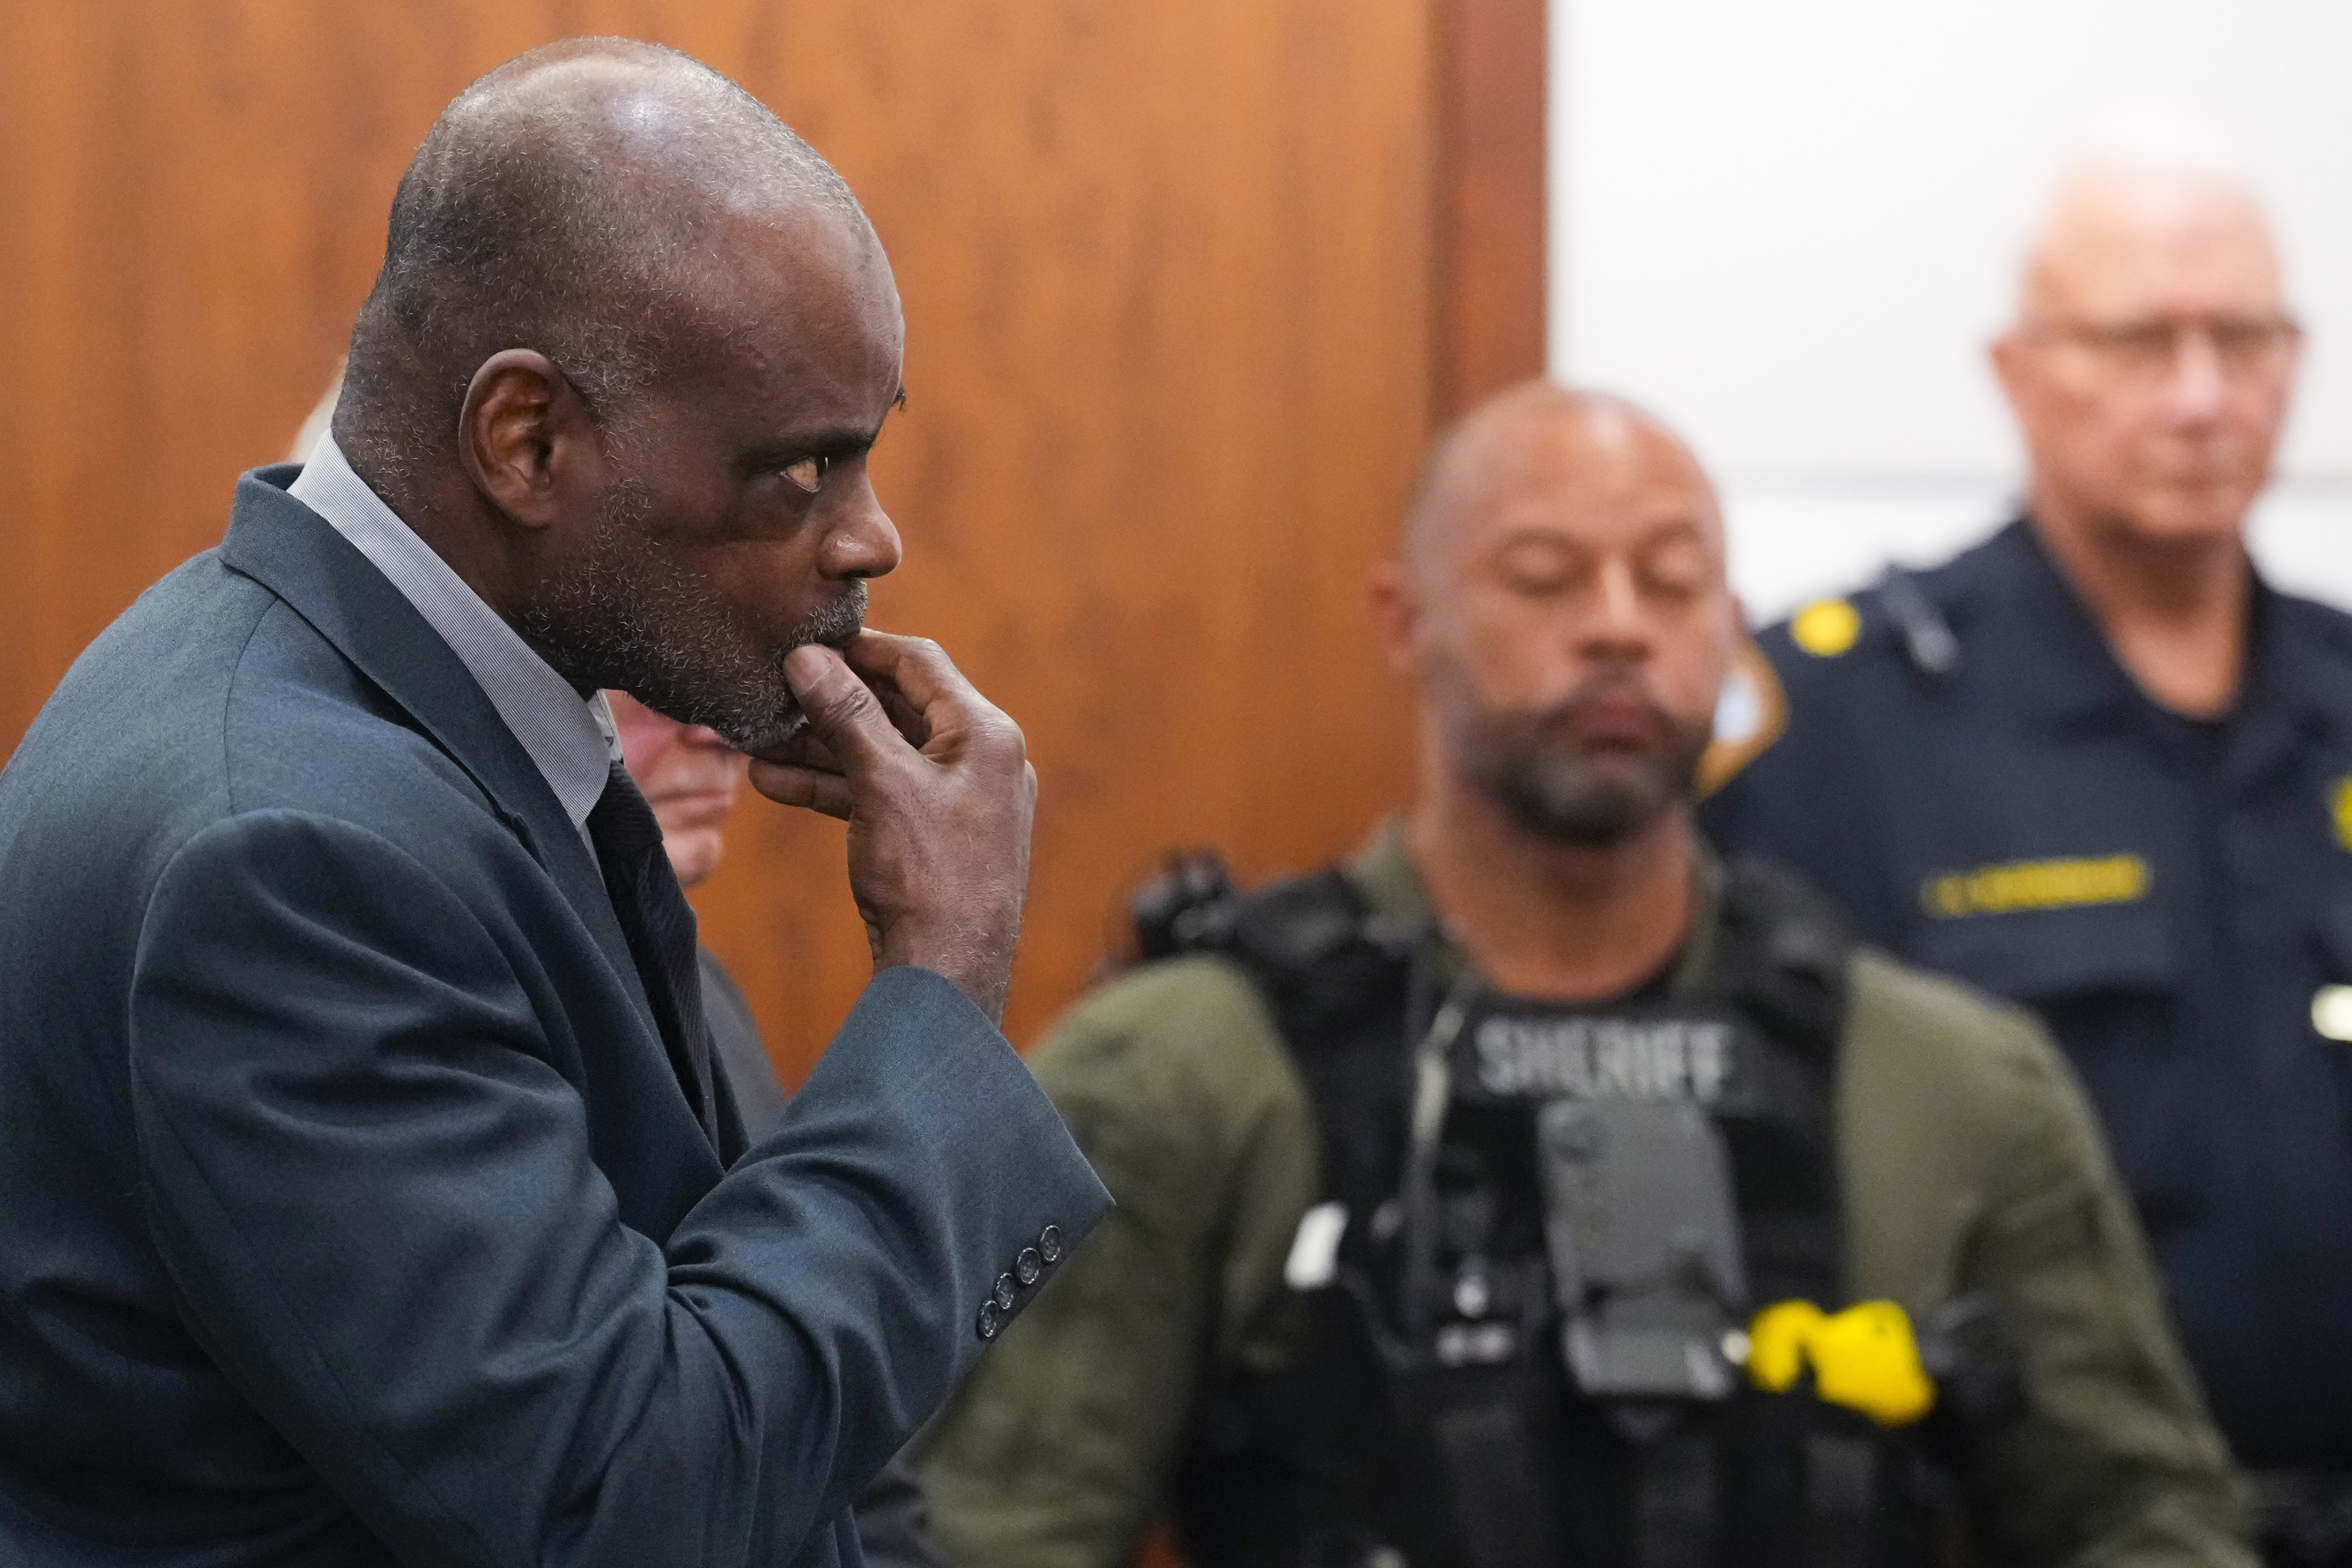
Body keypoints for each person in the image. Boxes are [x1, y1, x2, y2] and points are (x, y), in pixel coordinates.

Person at [0, 37, 1107, 1568]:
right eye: (803, 470)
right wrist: (943, 982)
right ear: (525, 439)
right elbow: (629, 1508)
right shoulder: (289, 856)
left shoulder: (425, 737)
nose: (871, 539)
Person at [915, 383, 2250, 1568]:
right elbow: (992, 1532)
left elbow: (2146, 1521)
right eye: (1546, 576)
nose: (1618, 628)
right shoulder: (1182, 1071)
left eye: (1672, 584)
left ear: (1728, 633)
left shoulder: (1951, 1081)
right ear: (1407, 618)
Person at [1698, 150, 2352, 1559]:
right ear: (2018, 370)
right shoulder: (1841, 727)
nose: (2198, 393)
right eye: (2136, 341)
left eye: (2243, 339)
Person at [606, 689, 947, 1568]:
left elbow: (851, 1428)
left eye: (735, 693)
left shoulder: (703, 992)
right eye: (654, 685)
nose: (716, 732)